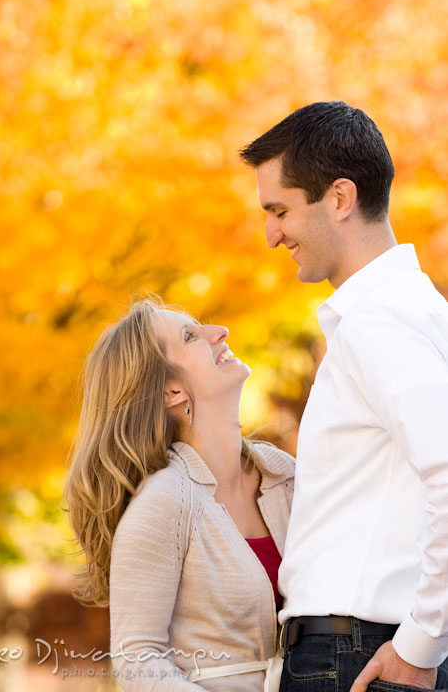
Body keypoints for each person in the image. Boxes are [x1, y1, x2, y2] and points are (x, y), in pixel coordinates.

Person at [240, 100, 448, 692]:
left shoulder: (380, 321)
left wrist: (421, 644)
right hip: (364, 648)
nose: (270, 233)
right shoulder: (420, 311)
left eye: (279, 210)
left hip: (358, 655)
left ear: (338, 198)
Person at [63, 297, 296, 691]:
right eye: (192, 336)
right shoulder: (165, 503)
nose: (219, 332)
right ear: (171, 390)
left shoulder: (286, 476)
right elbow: (137, 660)